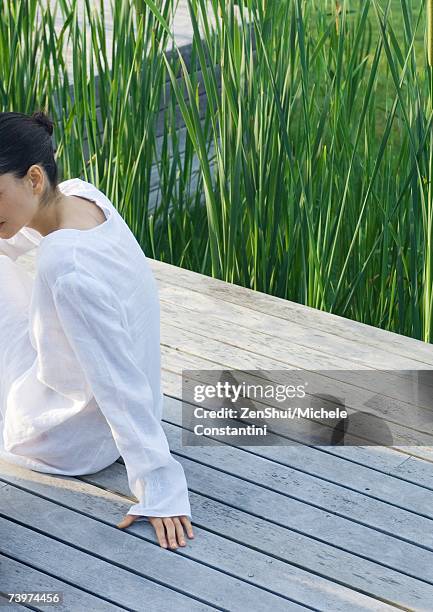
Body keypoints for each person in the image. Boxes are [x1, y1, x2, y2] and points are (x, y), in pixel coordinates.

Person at [0, 110, 194, 550]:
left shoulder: (65, 266)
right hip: (89, 423)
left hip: (58, 438)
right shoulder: (82, 198)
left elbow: (117, 381)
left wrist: (160, 486)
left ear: (33, 179)